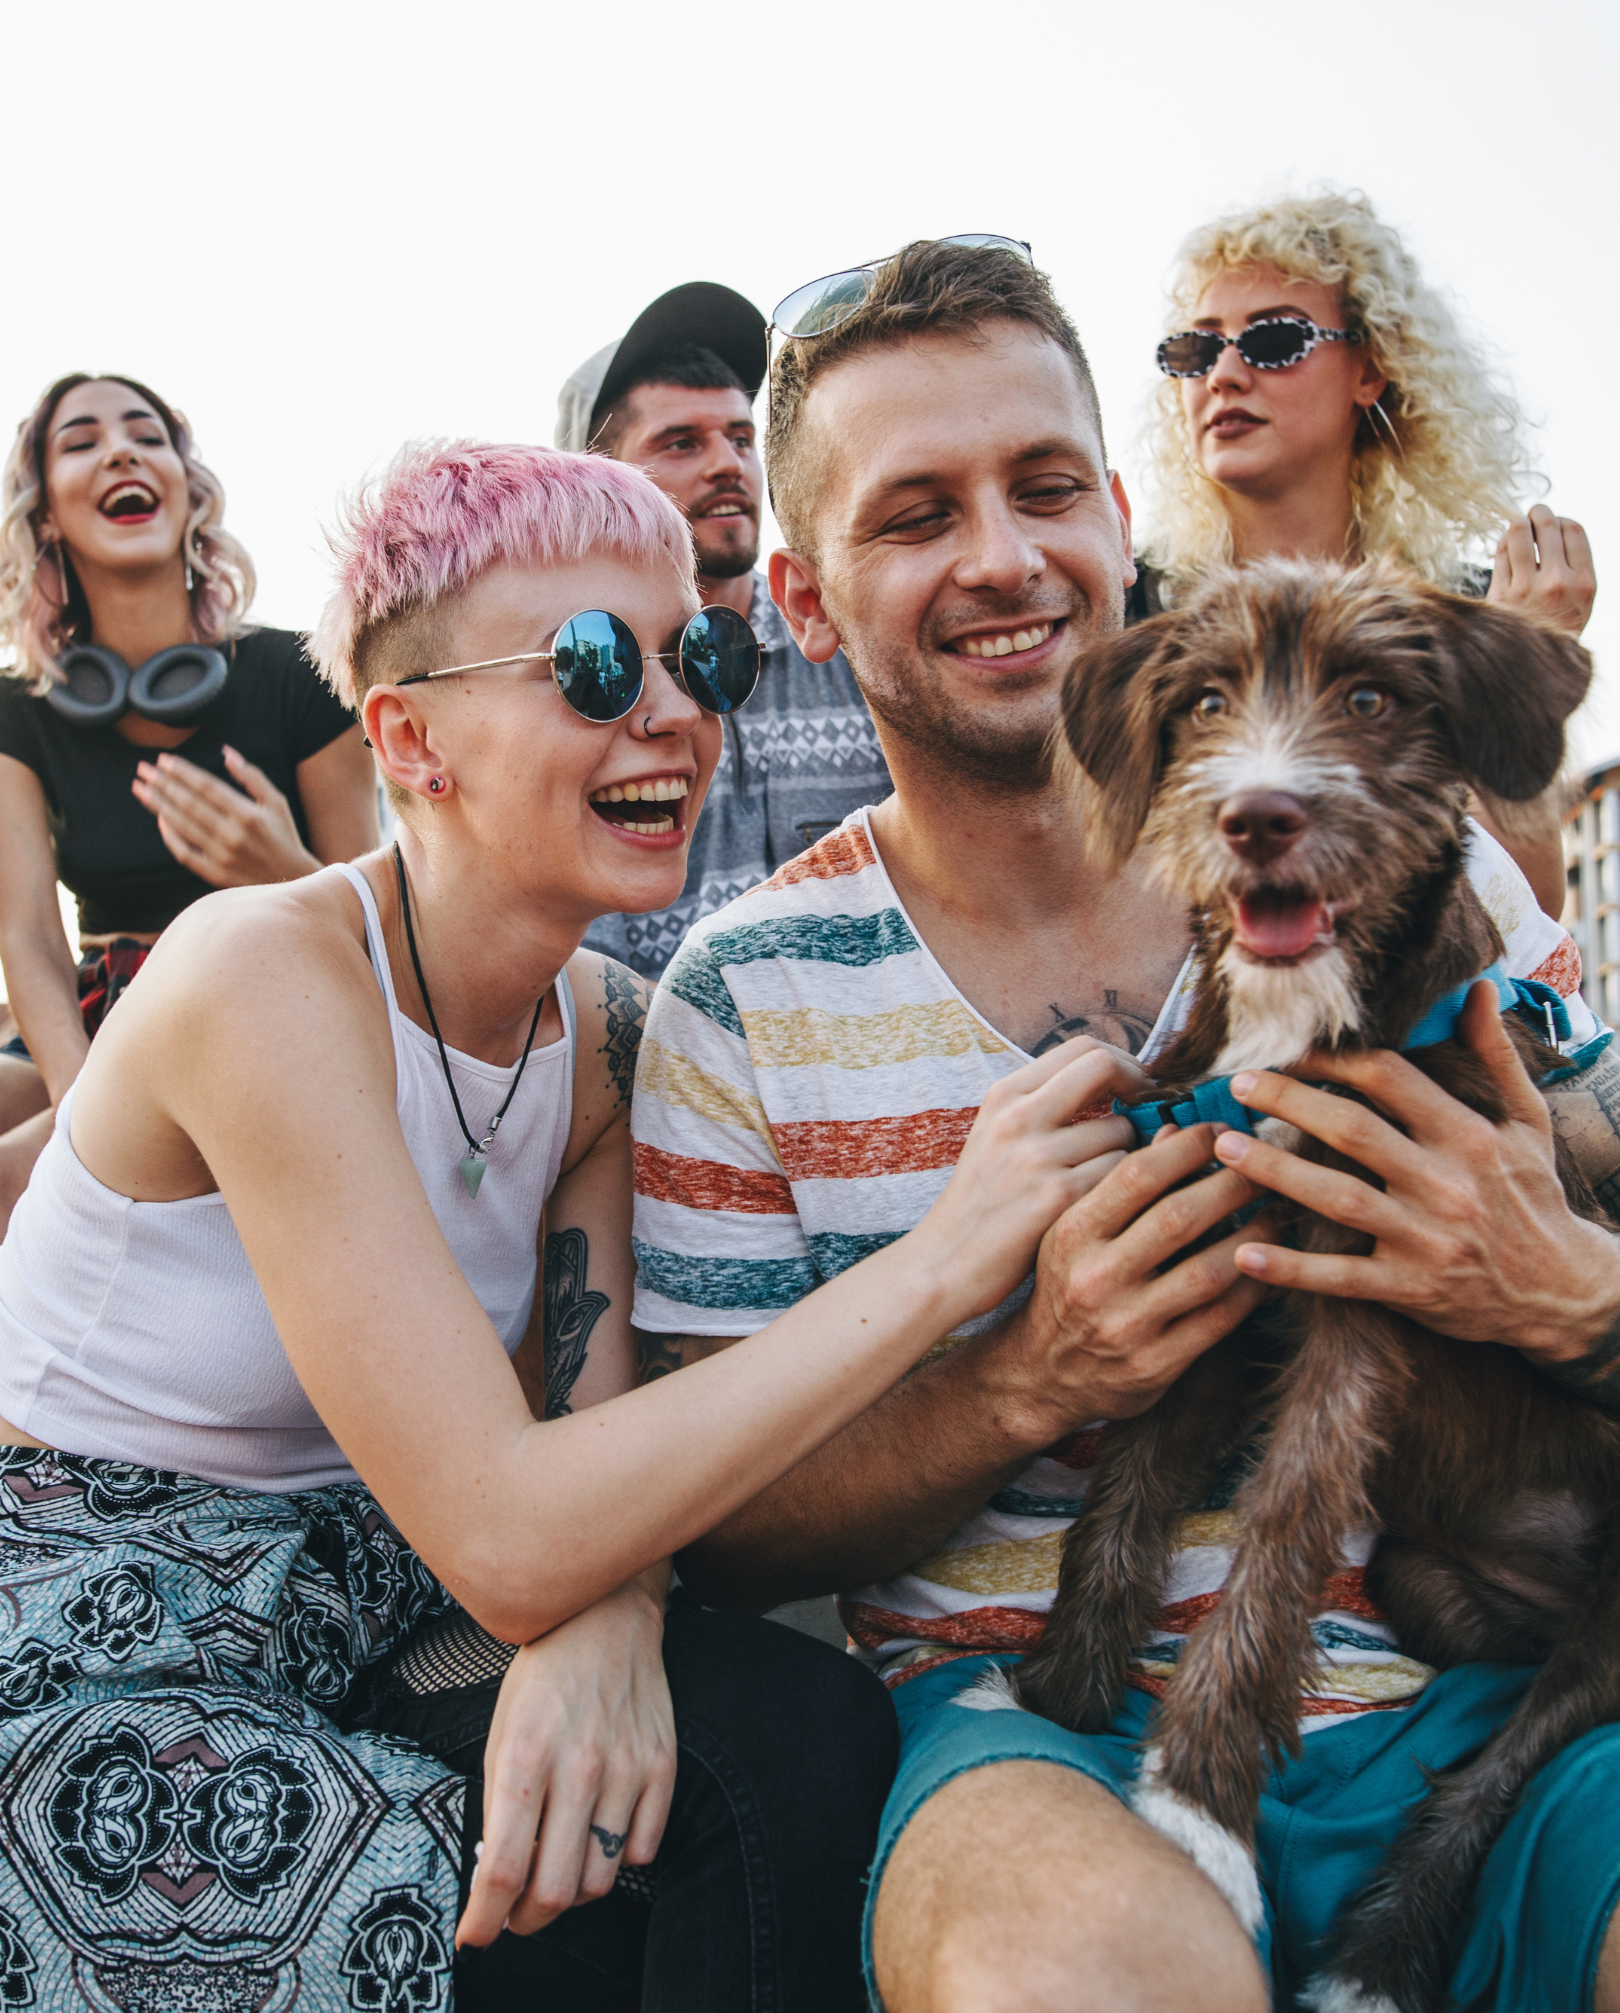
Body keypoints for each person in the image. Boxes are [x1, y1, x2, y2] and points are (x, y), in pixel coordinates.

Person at [628, 237, 1620, 2012]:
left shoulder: (1421, 854)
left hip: (1498, 1698)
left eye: (1046, 486)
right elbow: (723, 1532)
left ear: (1118, 518)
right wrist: (1022, 1381)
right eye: (915, 513)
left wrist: (1571, 1295)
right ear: (801, 597)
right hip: (1032, 1726)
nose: (1004, 558)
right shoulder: (745, 995)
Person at [0, 436, 1113, 2010]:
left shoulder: (597, 1031)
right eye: (592, 664)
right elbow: (518, 1529)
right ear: (410, 738)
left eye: (697, 652)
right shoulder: (260, 977)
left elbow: (578, 1444)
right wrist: (949, 1262)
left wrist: (613, 1608)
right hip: (106, 1613)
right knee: (529, 1900)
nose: (672, 710)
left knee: (782, 1741)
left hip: (381, 1581)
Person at [1139, 190, 1596, 915]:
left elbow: (1526, 912)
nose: (1223, 374)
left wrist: (1525, 661)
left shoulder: (1470, 610)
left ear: (1370, 370)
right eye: (1195, 349)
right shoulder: (1128, 605)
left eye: (1272, 341)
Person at [0, 372, 378, 1226]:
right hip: (96, 1013)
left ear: (184, 486)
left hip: (258, 999)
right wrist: (80, 1098)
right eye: (81, 441)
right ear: (48, 513)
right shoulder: (16, 712)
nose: (121, 449)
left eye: (144, 433)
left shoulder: (298, 673)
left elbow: (383, 931)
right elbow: (25, 932)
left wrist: (278, 869)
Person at [557, 281, 893, 977]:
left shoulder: (860, 641)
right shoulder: (566, 690)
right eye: (681, 442)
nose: (727, 463)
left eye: (742, 438)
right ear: (596, 484)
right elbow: (575, 978)